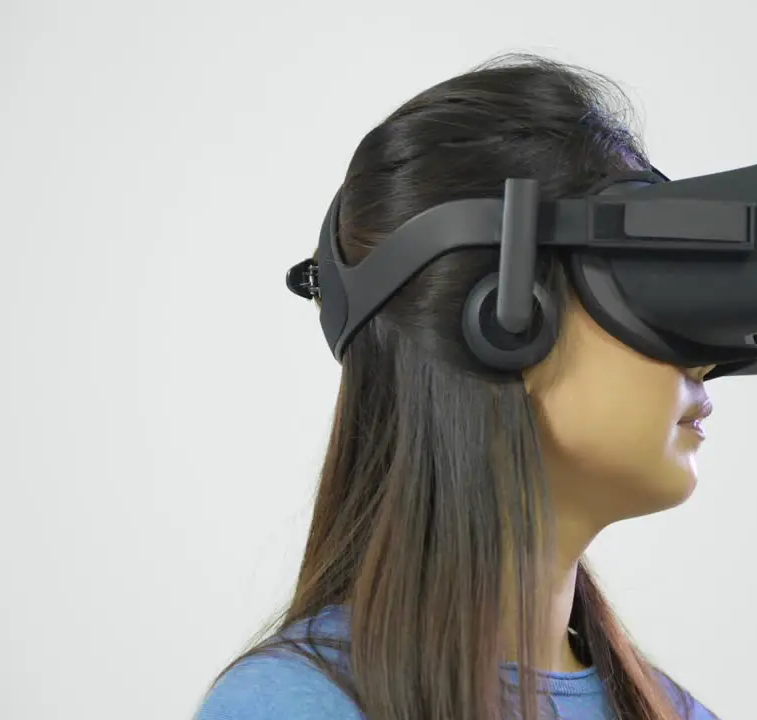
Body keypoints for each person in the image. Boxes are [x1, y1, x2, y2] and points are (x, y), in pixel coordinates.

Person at [195, 54, 720, 720]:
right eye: (642, 287)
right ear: (508, 318)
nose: (700, 362)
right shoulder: (297, 707)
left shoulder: (674, 713)